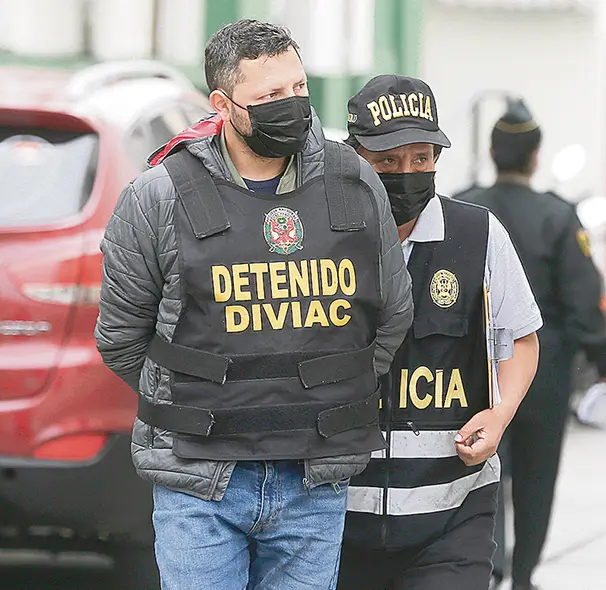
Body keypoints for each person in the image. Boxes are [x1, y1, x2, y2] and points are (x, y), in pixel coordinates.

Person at [94, 20, 414, 590]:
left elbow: (391, 314)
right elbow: (121, 338)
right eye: (270, 95)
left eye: (298, 88)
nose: (292, 104)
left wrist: (325, 394)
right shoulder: (160, 195)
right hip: (199, 478)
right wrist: (198, 402)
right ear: (223, 105)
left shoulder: (354, 184)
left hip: (314, 476)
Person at [336, 74, 542, 589]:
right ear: (354, 157)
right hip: (334, 517)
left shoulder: (478, 234)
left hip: (453, 513)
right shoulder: (320, 237)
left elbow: (520, 337)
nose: (407, 173)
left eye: (421, 158)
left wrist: (499, 415)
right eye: (387, 162)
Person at [455, 98, 606, 590]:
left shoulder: (463, 208)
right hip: (543, 371)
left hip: (476, 368)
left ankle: (489, 569)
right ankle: (524, 575)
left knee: (479, 469)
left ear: (492, 152)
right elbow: (583, 300)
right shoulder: (559, 215)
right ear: (535, 156)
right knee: (536, 477)